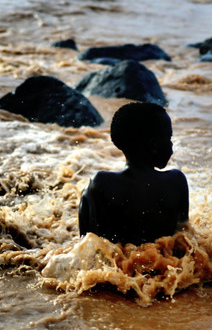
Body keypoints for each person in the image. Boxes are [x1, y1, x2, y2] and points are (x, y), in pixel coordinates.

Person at [79, 102, 189, 245]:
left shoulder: (103, 183)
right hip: (166, 264)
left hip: (117, 264)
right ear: (154, 146)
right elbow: (184, 238)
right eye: (169, 137)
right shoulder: (176, 181)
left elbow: (87, 245)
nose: (171, 144)